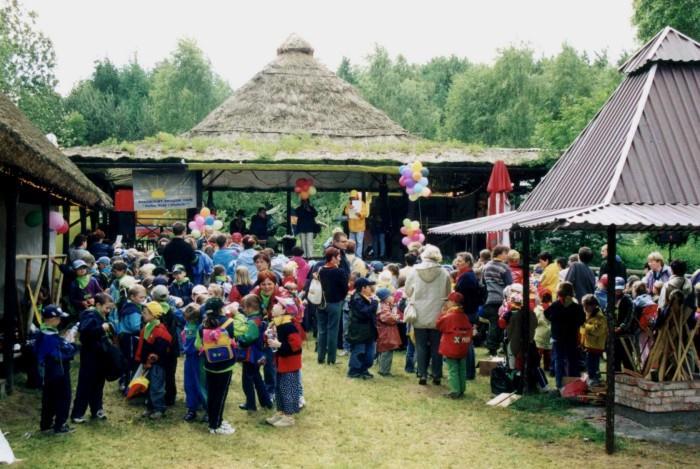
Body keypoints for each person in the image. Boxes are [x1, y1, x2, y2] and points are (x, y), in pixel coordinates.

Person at [405, 245, 452, 385]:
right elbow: (448, 294)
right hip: (437, 314)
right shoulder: (444, 272)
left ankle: (422, 374)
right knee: (437, 346)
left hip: (419, 312)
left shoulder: (414, 270)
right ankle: (436, 375)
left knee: (420, 345)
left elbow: (408, 291)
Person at [71, 293, 113, 423]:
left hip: (100, 354)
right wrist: (101, 328)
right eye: (107, 308)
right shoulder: (89, 315)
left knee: (98, 383)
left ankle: (97, 409)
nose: (108, 311)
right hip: (90, 354)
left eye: (110, 308)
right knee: (86, 383)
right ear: (98, 305)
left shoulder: (101, 315)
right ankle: (78, 413)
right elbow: (85, 331)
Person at [197, 297, 236, 434]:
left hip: (209, 364)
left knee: (212, 394)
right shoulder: (229, 323)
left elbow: (198, 345)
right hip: (225, 365)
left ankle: (213, 420)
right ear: (221, 309)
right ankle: (216, 425)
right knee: (221, 395)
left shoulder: (202, 325)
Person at [36, 305, 76, 434]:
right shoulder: (49, 337)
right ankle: (60, 425)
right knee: (63, 397)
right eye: (58, 318)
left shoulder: (42, 332)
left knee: (49, 397)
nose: (60, 321)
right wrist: (70, 344)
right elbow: (63, 354)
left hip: (48, 372)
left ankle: (46, 424)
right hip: (58, 372)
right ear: (52, 319)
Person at [545, 282, 585, 389]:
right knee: (572, 360)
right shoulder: (577, 307)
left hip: (558, 337)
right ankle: (573, 384)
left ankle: (559, 385)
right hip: (572, 337)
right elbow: (582, 320)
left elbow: (547, 314)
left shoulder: (556, 305)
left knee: (559, 360)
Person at [135, 301, 172, 419]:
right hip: (147, 364)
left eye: (145, 313)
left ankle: (159, 409)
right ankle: (150, 407)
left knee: (156, 387)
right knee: (148, 386)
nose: (142, 314)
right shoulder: (148, 327)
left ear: (154, 315)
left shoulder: (160, 330)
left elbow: (160, 351)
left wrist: (151, 361)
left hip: (157, 365)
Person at [238, 294, 273, 412]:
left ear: (250, 307)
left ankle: (250, 404)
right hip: (259, 354)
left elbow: (249, 338)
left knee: (247, 381)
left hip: (250, 356)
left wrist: (239, 338)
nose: (242, 309)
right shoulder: (261, 318)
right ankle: (266, 402)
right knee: (257, 378)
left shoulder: (252, 322)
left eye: (243, 307)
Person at [436, 291, 473, 398]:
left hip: (452, 347)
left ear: (453, 302)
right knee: (461, 367)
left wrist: (443, 313)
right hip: (462, 345)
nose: (446, 304)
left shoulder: (450, 316)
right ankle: (461, 389)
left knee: (452, 369)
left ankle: (455, 390)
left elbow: (439, 324)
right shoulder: (464, 315)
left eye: (448, 301)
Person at [317, 247, 349, 365]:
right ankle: (331, 359)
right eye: (338, 256)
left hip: (321, 303)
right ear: (333, 258)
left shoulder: (320, 269)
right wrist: (340, 298)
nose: (340, 258)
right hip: (335, 303)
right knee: (333, 331)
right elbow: (345, 288)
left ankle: (320, 357)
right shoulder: (339, 271)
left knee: (322, 330)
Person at [482, 245, 513, 356]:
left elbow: (483, 283)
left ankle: (491, 347)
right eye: (506, 253)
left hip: (490, 299)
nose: (507, 256)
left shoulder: (486, 266)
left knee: (493, 324)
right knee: (502, 324)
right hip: (502, 299)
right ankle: (499, 346)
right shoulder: (504, 267)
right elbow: (510, 285)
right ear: (500, 253)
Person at [453, 252, 480, 379]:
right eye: (457, 260)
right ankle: (468, 371)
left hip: (467, 313)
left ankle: (468, 372)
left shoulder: (466, 277)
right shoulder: (465, 275)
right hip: (469, 312)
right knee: (466, 341)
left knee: (466, 342)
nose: (457, 262)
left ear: (468, 262)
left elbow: (464, 297)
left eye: (460, 261)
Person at [347, 277, 378, 379]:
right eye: (369, 286)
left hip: (368, 331)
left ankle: (364, 369)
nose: (371, 289)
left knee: (370, 353)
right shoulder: (356, 299)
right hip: (359, 331)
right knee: (359, 351)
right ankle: (354, 371)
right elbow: (364, 313)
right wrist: (374, 304)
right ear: (363, 288)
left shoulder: (366, 298)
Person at [182, 303, 206, 422]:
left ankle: (204, 407)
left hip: (197, 358)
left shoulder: (199, 327)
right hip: (190, 358)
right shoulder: (188, 325)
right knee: (189, 383)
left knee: (199, 384)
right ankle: (192, 408)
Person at [580, 294, 607, 386]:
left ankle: (594, 380)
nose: (584, 308)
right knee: (589, 363)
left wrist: (585, 326)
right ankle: (592, 378)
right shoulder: (589, 315)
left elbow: (597, 331)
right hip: (589, 345)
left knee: (593, 364)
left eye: (586, 306)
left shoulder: (600, 317)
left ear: (592, 306)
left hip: (596, 346)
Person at [375, 287, 401, 376]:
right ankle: (384, 371)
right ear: (386, 297)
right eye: (391, 295)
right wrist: (396, 317)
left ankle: (383, 369)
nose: (393, 297)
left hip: (386, 332)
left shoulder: (386, 305)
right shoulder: (384, 306)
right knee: (387, 351)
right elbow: (386, 318)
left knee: (385, 351)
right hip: (386, 333)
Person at [613, 277, 637, 372]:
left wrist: (622, 327)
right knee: (615, 358)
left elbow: (629, 316)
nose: (618, 290)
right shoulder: (611, 298)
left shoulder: (628, 300)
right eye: (616, 288)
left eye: (620, 288)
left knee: (626, 357)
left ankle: (630, 377)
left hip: (625, 334)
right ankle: (616, 377)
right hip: (614, 333)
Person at [344, 191, 369, 258]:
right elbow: (346, 212)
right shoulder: (349, 204)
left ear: (357, 196)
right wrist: (350, 210)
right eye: (351, 198)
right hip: (351, 227)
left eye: (354, 197)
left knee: (359, 243)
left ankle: (358, 257)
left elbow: (364, 214)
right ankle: (352, 256)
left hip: (360, 227)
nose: (353, 199)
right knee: (351, 243)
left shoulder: (362, 204)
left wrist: (356, 211)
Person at [534, 290, 553, 373]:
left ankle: (537, 366)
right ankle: (547, 367)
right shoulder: (553, 308)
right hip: (549, 334)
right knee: (548, 352)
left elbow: (535, 321)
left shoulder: (537, 309)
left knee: (538, 353)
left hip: (539, 334)